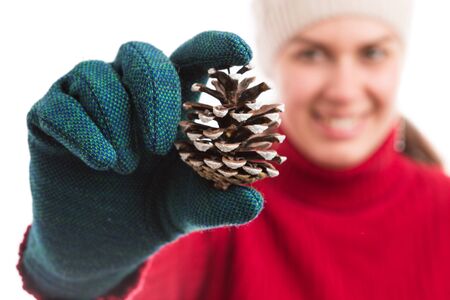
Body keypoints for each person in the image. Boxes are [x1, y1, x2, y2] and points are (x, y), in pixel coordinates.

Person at [16, 0, 450, 299]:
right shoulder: (212, 205)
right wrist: (73, 276)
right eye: (312, 54)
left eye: (372, 52)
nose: (343, 89)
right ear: (272, 62)